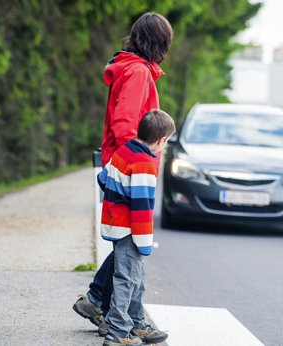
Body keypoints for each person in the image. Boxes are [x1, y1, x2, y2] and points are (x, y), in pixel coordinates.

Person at [72, 11, 173, 343]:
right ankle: (132, 321)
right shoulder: (138, 73)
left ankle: (96, 301)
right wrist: (138, 161)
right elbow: (125, 125)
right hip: (129, 168)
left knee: (125, 243)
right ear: (159, 43)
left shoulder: (131, 68)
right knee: (131, 245)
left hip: (121, 164)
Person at [98, 109, 176, 346]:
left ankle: (136, 323)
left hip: (115, 223)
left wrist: (118, 192)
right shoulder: (144, 164)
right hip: (130, 230)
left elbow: (103, 177)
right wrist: (144, 243)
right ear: (161, 141)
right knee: (126, 279)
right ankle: (118, 332)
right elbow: (141, 209)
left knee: (136, 277)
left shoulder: (125, 150)